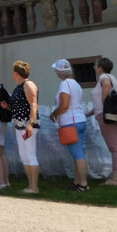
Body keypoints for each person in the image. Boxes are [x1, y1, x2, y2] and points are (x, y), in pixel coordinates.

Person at [87, 57, 117, 186]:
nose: (95, 69)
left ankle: (115, 178)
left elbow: (106, 86)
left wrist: (104, 102)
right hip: (116, 115)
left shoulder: (103, 78)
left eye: (96, 67)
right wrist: (90, 113)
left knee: (114, 148)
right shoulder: (114, 79)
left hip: (106, 117)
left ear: (100, 68)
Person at [50, 59, 89, 192]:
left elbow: (65, 104)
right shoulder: (76, 84)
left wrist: (55, 113)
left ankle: (83, 183)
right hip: (80, 119)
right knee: (78, 152)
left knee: (77, 153)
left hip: (70, 122)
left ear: (60, 72)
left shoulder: (64, 84)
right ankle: (77, 181)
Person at [10, 60, 41, 194]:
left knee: (30, 154)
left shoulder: (28, 85)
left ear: (16, 73)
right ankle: (30, 185)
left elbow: (34, 104)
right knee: (24, 155)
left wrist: (31, 123)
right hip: (19, 125)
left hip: (27, 124)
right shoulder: (19, 86)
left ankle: (34, 186)